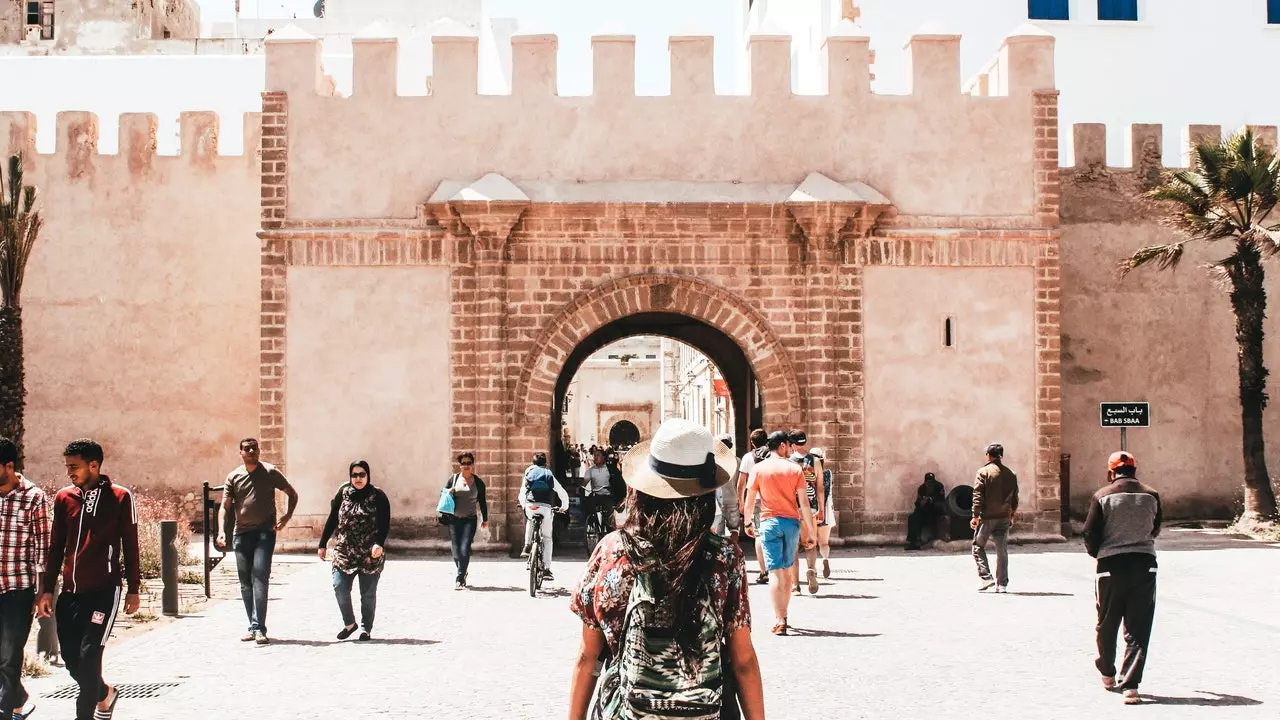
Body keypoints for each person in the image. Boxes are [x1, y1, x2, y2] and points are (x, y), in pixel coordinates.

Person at [569, 418, 764, 720]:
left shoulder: (612, 551)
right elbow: (743, 660)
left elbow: (588, 655)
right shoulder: (724, 557)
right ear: (705, 494)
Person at [37, 439, 140, 720]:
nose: (69, 472)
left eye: (74, 466)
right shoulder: (63, 498)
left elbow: (131, 545)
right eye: (67, 466)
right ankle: (105, 694)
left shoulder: (120, 497)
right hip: (70, 594)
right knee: (72, 661)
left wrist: (134, 588)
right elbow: (56, 546)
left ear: (93, 465)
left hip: (104, 592)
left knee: (89, 657)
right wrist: (47, 590)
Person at [1083, 451, 1162, 706]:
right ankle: (1131, 686)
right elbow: (1156, 527)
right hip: (1144, 564)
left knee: (1107, 621)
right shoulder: (1151, 495)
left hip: (1110, 566)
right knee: (1138, 626)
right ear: (1135, 471)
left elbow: (1089, 532)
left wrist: (1100, 553)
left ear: (1111, 472)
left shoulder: (1101, 496)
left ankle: (1107, 672)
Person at [216, 437, 300, 644]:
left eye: (255, 448)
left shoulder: (270, 472)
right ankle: (253, 626)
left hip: (265, 532)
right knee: (245, 582)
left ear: (259, 451)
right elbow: (225, 507)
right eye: (247, 449)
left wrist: (287, 517)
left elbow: (292, 493)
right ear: (241, 452)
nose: (252, 451)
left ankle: (259, 627)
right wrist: (221, 531)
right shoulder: (234, 476)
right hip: (241, 534)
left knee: (260, 576)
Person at [743, 431, 816, 635]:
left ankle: (780, 618)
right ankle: (785, 613)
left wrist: (748, 522)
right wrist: (810, 531)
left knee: (774, 572)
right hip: (791, 523)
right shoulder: (794, 469)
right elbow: (804, 503)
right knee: (786, 571)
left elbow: (750, 500)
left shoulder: (758, 469)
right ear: (783, 445)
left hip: (768, 522)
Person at [0, 437, 48, 720]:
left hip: (18, 590)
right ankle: (17, 697)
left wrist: (43, 593)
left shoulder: (33, 496)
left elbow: (43, 548)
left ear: (8, 466)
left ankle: (7, 711)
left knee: (8, 656)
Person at [318, 460, 390, 640]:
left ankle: (366, 628)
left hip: (369, 552)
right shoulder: (343, 494)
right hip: (344, 550)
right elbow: (333, 518)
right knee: (339, 586)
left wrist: (379, 543)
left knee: (367, 593)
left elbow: (384, 522)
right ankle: (350, 623)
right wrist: (322, 543)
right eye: (354, 475)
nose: (358, 478)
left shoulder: (378, 495)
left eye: (362, 475)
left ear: (368, 475)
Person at [970, 443, 1019, 593]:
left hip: (987, 517)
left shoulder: (983, 472)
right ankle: (1002, 584)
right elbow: (1015, 497)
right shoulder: (1011, 474)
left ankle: (986, 578)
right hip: (1004, 516)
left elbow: (978, 496)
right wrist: (1012, 514)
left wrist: (975, 516)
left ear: (988, 455)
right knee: (1001, 550)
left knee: (978, 546)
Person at [518, 452, 568, 582]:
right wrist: (564, 507)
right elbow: (561, 491)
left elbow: (522, 492)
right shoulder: (548, 474)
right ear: (545, 463)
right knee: (547, 538)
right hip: (545, 507)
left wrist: (524, 505)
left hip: (531, 506)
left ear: (533, 463)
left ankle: (527, 545)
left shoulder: (529, 472)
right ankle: (546, 568)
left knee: (530, 519)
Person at [443, 452, 488, 589]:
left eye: (469, 463)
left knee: (464, 548)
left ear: (472, 465)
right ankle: (463, 570)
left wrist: (485, 519)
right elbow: (443, 495)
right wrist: (449, 492)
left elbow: (482, 502)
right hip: (454, 519)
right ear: (460, 465)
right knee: (455, 550)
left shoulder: (478, 483)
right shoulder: (453, 479)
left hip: (470, 520)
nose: (466, 466)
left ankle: (460, 577)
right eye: (464, 463)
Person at [788, 430, 825, 595]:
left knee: (793, 548)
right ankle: (811, 570)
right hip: (811, 508)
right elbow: (820, 488)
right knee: (810, 544)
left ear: (792, 444)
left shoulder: (789, 462)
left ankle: (795, 585)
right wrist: (822, 509)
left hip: (792, 507)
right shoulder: (815, 461)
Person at [736, 429, 769, 584]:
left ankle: (764, 571)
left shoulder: (748, 458)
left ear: (752, 442)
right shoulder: (772, 456)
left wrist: (742, 504)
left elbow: (741, 484)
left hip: (755, 499)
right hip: (771, 499)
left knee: (759, 535)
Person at [906, 472, 947, 550]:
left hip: (936, 510)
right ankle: (914, 541)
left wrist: (931, 499)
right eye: (928, 482)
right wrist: (922, 502)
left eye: (931, 482)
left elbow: (941, 499)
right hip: (924, 510)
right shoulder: (922, 488)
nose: (930, 484)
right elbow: (918, 502)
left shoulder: (939, 486)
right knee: (913, 518)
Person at [712, 434, 741, 544]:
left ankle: (720, 556)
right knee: (734, 529)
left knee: (718, 532)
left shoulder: (714, 461)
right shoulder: (737, 461)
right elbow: (740, 482)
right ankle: (734, 551)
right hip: (733, 499)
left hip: (718, 500)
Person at [810, 447, 834, 576]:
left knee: (812, 543)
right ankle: (825, 559)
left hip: (812, 510)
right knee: (824, 542)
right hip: (826, 511)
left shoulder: (808, 474)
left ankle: (812, 568)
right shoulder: (828, 473)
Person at [583, 448, 615, 531]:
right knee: (588, 504)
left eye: (598, 455)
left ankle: (610, 531)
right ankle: (593, 523)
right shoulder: (591, 471)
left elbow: (616, 481)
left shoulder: (609, 469)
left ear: (603, 457)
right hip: (596, 495)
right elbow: (585, 482)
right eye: (594, 456)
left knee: (609, 515)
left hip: (607, 495)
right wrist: (579, 487)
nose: (595, 457)